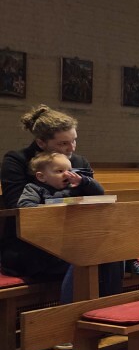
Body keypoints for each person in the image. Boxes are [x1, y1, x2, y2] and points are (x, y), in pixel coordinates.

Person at [17, 152, 123, 305]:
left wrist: (83, 181)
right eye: (59, 171)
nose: (67, 174)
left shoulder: (74, 188)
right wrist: (54, 204)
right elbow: (26, 207)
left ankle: (111, 301)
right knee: (83, 259)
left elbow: (99, 192)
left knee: (111, 254)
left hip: (73, 242)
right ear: (41, 177)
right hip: (46, 249)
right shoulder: (34, 188)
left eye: (69, 170)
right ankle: (70, 307)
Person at [1, 105, 94, 277]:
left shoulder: (79, 162)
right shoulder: (17, 160)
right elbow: (19, 208)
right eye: (63, 143)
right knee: (86, 260)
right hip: (29, 244)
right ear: (41, 143)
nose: (72, 148)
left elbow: (92, 202)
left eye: (74, 140)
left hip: (72, 237)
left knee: (109, 255)